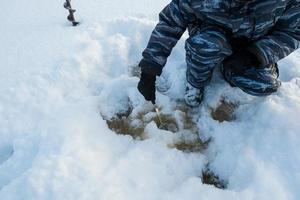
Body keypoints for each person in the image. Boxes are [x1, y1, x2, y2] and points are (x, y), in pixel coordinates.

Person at [137, 0, 300, 107]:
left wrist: (255, 54)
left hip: (254, 43)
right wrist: (150, 68)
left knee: (263, 85)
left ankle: (229, 69)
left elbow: (293, 32)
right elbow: (170, 22)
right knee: (206, 46)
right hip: (211, 36)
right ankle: (195, 83)